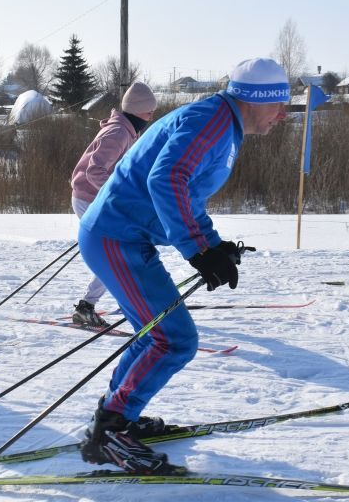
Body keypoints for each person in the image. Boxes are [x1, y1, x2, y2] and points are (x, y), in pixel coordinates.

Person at [75, 57, 289, 474]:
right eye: (279, 104)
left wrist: (213, 245)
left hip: (124, 237)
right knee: (173, 340)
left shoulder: (222, 122)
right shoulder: (212, 120)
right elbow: (167, 178)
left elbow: (185, 192)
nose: (283, 115)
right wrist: (198, 250)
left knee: (154, 333)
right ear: (255, 98)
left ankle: (117, 419)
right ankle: (111, 433)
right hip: (117, 238)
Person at [70, 81, 158, 327]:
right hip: (90, 198)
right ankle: (86, 307)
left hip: (94, 198)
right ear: (137, 109)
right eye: (149, 110)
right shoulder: (118, 132)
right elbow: (94, 171)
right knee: (113, 255)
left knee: (122, 251)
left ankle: (125, 300)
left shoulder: (127, 130)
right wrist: (120, 195)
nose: (152, 116)